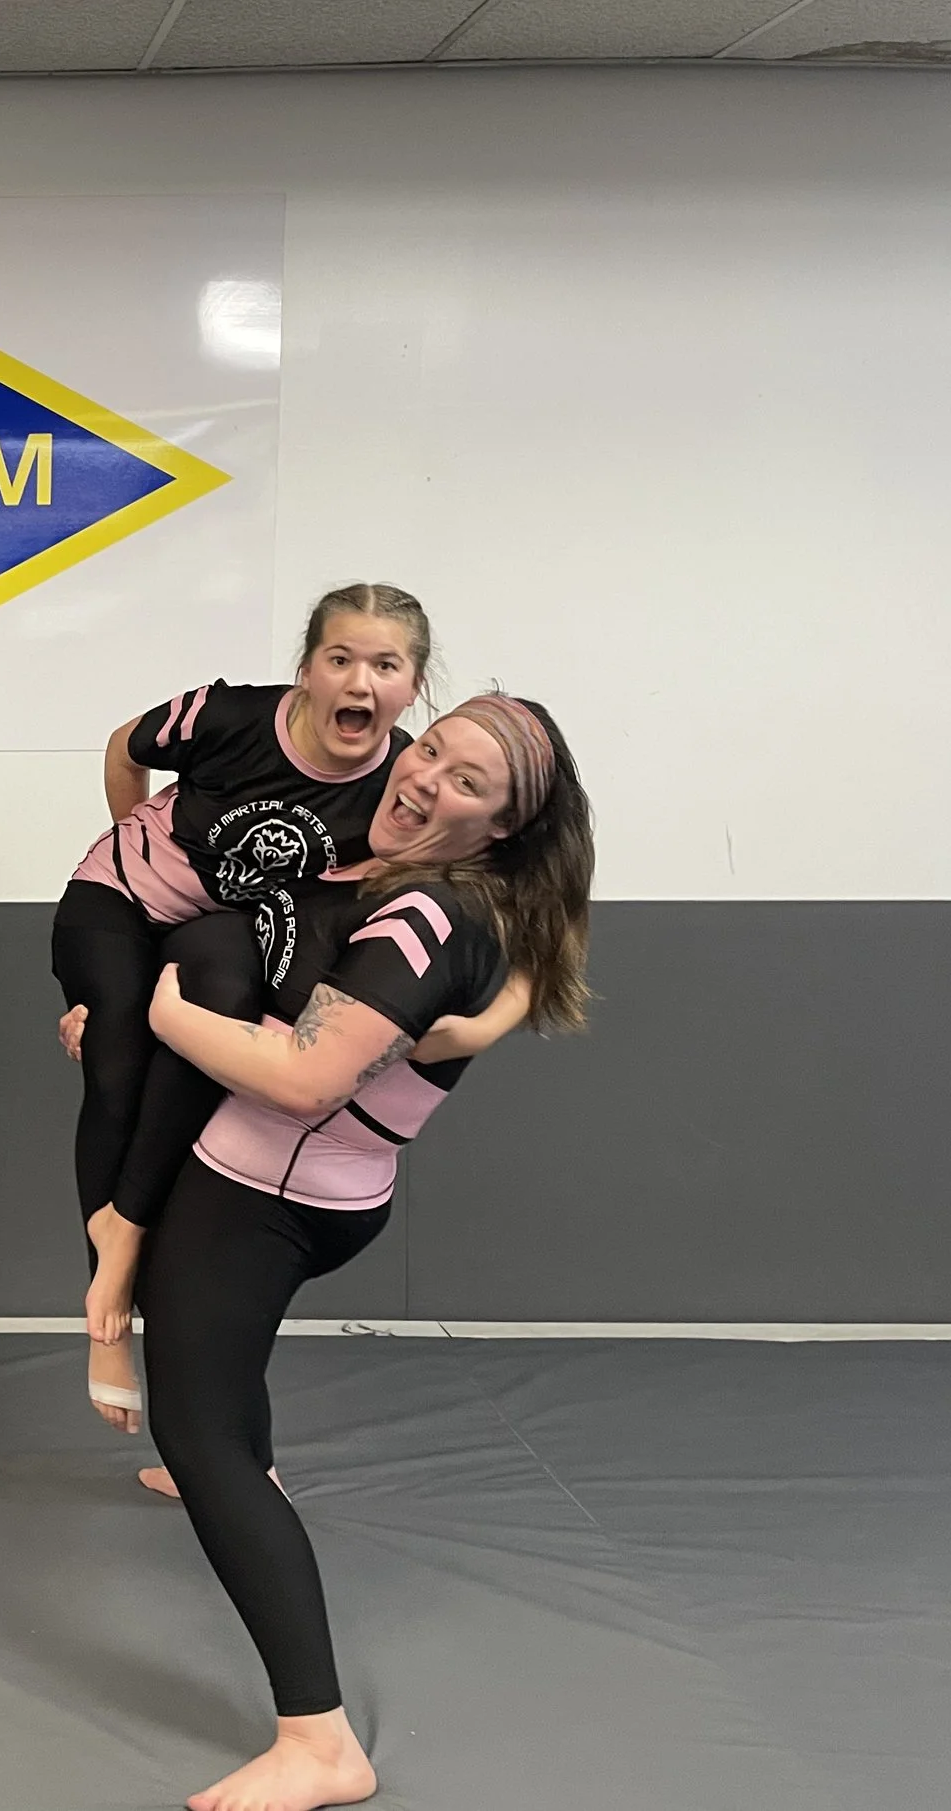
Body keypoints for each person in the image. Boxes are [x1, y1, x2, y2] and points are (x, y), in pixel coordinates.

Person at [137, 694, 593, 1811]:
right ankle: (255, 1474)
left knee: (195, 1431)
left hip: (266, 1189)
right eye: (430, 749)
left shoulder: (426, 914)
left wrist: (170, 1018)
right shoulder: (481, 899)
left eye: (466, 781)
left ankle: (319, 1740)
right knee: (223, 1385)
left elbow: (306, 1078)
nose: (424, 777)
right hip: (323, 1189)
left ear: (500, 826)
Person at [53, 585, 433, 1436]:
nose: (360, 682)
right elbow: (125, 745)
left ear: (412, 685)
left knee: (209, 1028)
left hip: (226, 929)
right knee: (116, 1053)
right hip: (121, 899)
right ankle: (107, 1312)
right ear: (306, 670)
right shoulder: (231, 716)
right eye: (340, 659)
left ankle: (130, 1237)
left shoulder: (405, 782)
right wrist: (133, 832)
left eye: (386, 665)